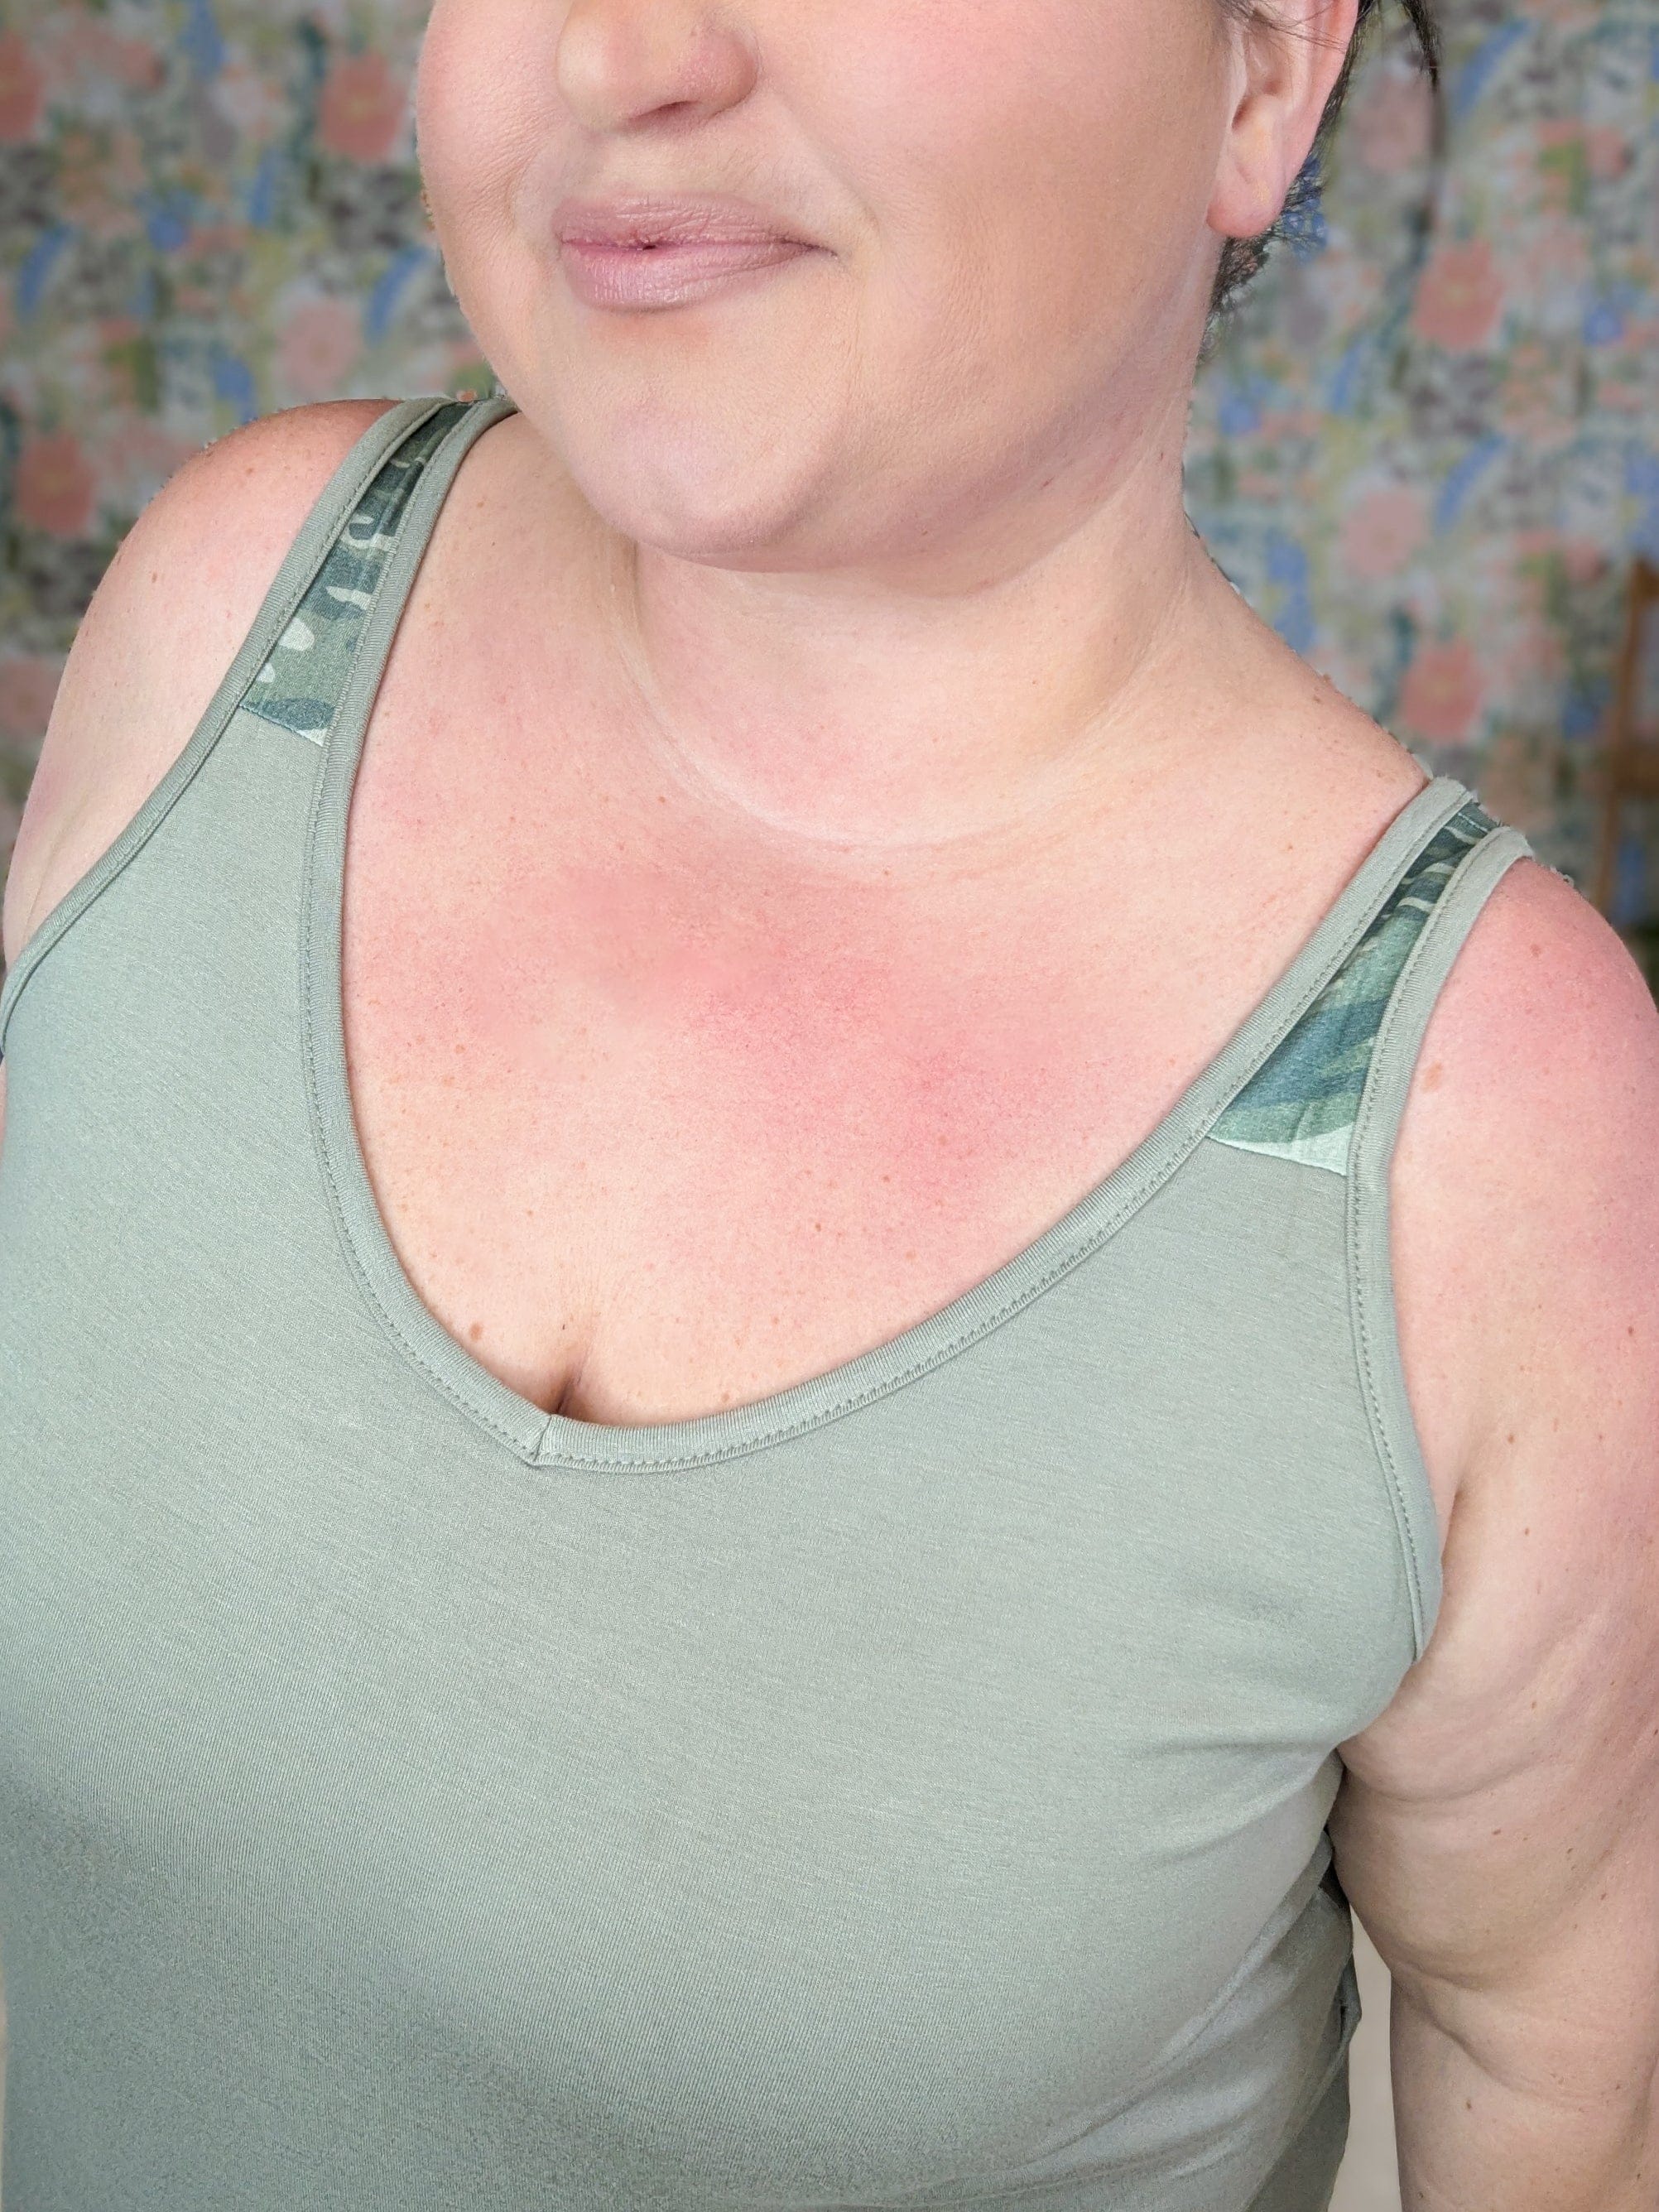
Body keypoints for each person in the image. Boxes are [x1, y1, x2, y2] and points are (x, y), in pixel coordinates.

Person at [0, 0, 1654, 2205]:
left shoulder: (1492, 1128)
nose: (624, 53)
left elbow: (1554, 2066)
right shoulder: (231, 619)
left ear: (1261, 71)